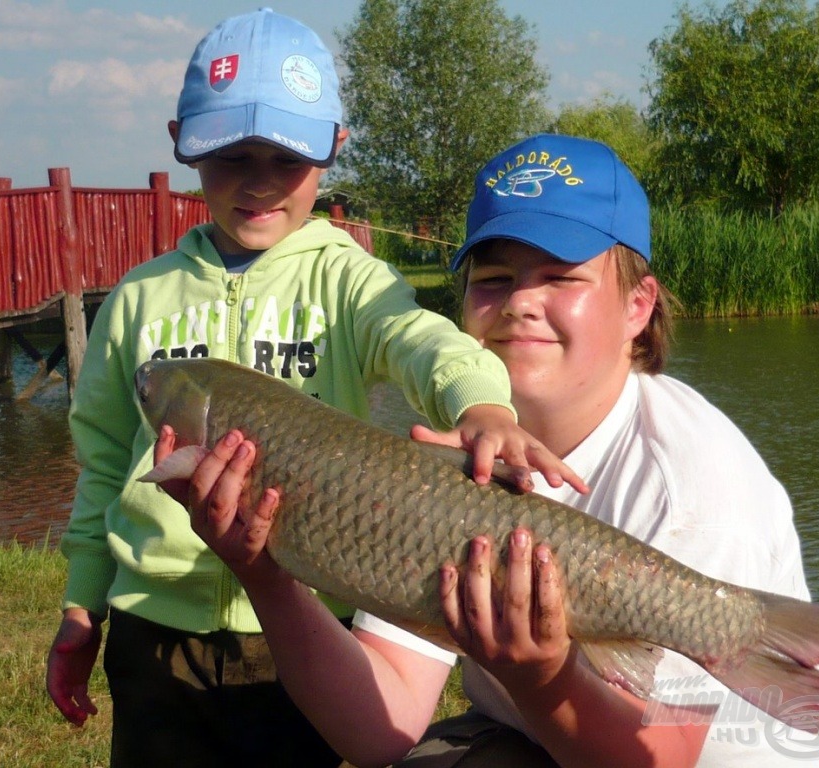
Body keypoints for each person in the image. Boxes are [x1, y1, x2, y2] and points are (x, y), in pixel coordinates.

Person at [162, 133, 819, 768]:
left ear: (638, 307)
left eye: (560, 277)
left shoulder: (693, 485)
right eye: (494, 279)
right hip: (545, 741)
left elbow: (662, 760)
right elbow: (380, 729)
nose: (522, 301)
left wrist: (543, 674)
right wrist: (265, 574)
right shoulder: (454, 458)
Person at [44, 10, 582, 765]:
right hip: (154, 632)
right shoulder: (138, 298)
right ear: (182, 143)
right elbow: (103, 464)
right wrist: (81, 607)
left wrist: (481, 405)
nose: (259, 181)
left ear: (333, 148)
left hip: (298, 627)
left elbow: (420, 340)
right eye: (232, 156)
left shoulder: (347, 278)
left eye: (285, 156)